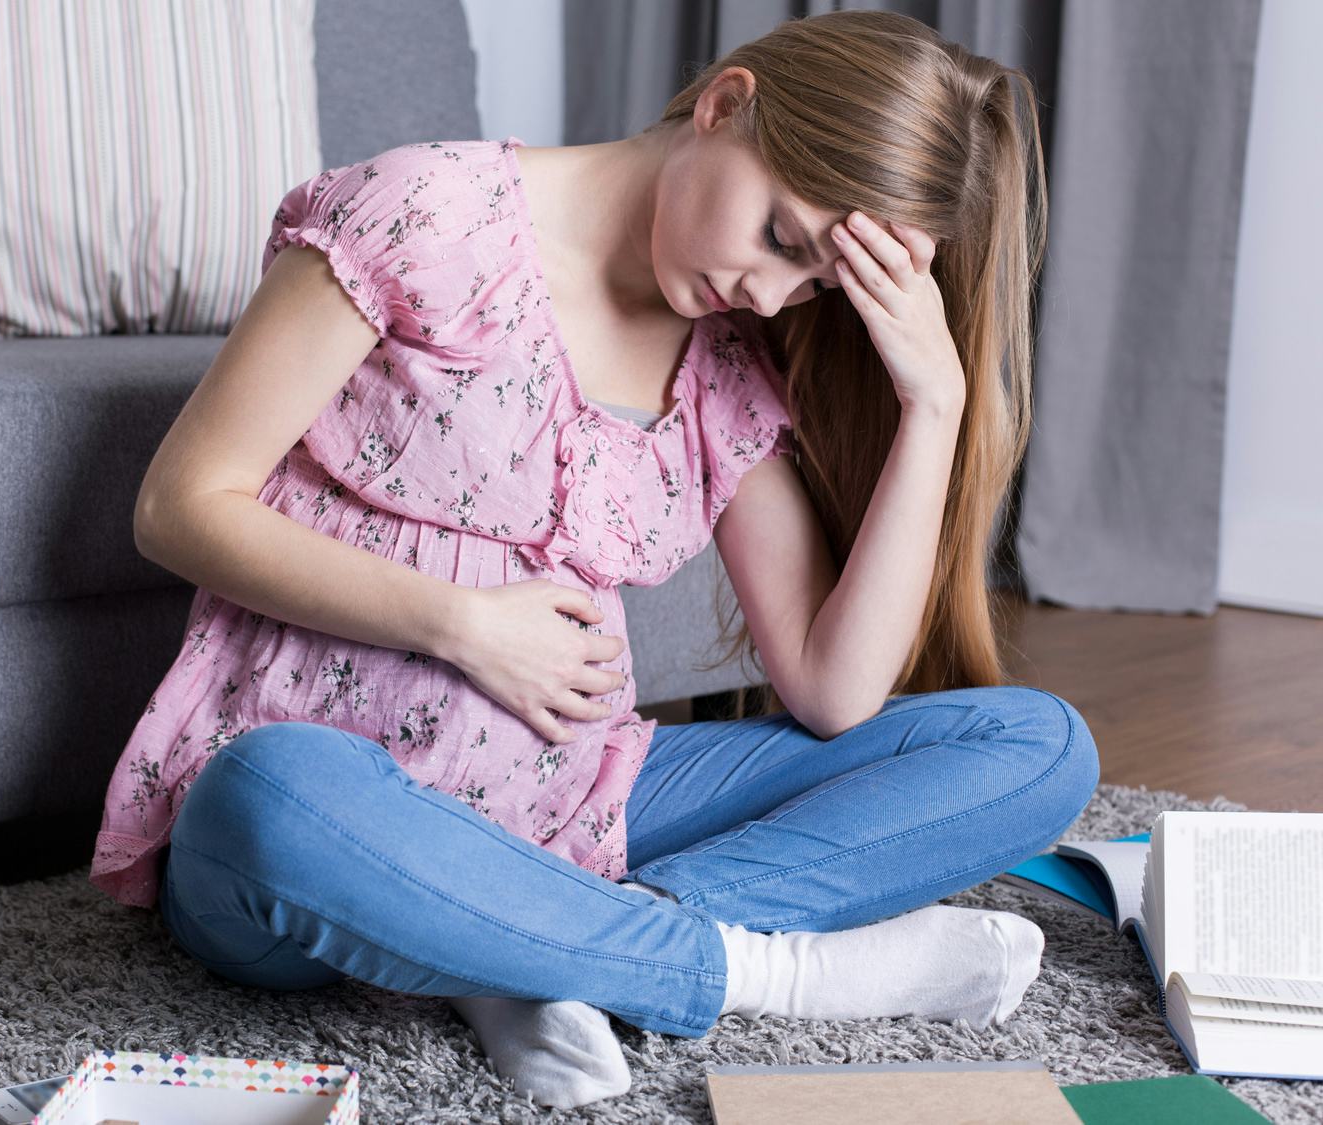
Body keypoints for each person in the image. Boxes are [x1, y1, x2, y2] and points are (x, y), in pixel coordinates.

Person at [89, 8, 1099, 1111]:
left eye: (815, 285)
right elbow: (180, 505)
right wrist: (462, 624)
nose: (770, 295)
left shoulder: (722, 364)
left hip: (579, 811)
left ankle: (538, 946)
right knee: (264, 792)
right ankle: (756, 971)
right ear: (724, 105)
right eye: (779, 237)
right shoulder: (422, 216)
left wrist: (935, 403)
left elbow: (834, 687)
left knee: (1036, 746)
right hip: (325, 826)